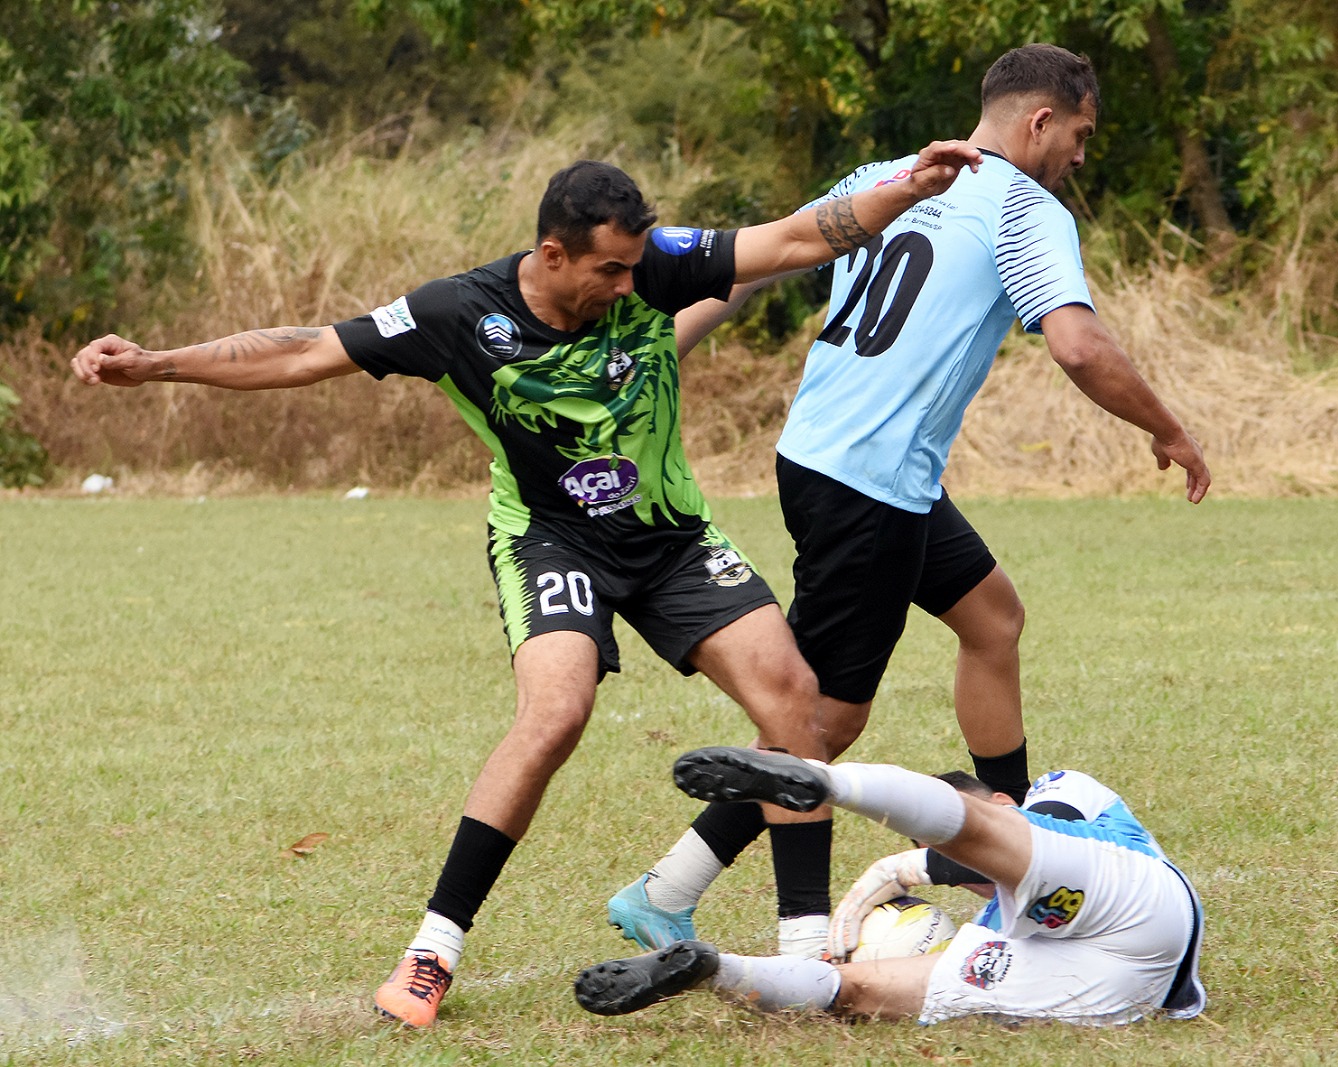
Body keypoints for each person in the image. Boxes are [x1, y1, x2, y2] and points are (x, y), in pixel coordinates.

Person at [68, 142, 982, 1029]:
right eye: (611, 271)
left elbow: (792, 238)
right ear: (552, 253)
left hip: (669, 536)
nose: (631, 288)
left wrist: (910, 185)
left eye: (635, 269)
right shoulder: (457, 313)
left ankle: (806, 948)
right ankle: (432, 948)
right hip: (552, 543)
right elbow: (308, 350)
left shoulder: (654, 262)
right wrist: (156, 363)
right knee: (556, 711)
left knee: (795, 703)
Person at [609, 44, 1211, 960]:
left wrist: (658, 361)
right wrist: (1168, 429)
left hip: (836, 461)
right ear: (1039, 121)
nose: (1081, 156)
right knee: (820, 722)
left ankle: (1002, 847)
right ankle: (667, 890)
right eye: (1080, 135)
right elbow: (1079, 347)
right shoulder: (1024, 207)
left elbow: (747, 268)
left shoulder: (889, 175)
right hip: (870, 485)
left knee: (994, 617)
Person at [578, 746, 1205, 1026]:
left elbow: (996, 843)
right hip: (1115, 989)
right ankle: (712, 968)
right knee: (853, 994)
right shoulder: (990, 927)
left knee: (992, 835)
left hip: (1139, 911)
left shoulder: (1066, 794)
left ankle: (823, 782)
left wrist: (886, 876)